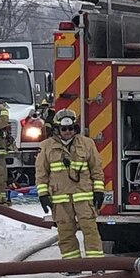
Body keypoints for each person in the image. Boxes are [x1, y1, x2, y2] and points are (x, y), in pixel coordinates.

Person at [36, 110, 106, 261]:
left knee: (90, 230)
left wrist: (99, 191)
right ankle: (71, 265)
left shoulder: (87, 144)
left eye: (71, 128)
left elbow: (96, 169)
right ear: (57, 129)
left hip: (84, 197)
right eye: (64, 129)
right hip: (60, 199)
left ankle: (96, 264)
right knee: (65, 232)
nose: (68, 132)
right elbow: (41, 173)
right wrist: (43, 194)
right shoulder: (46, 146)